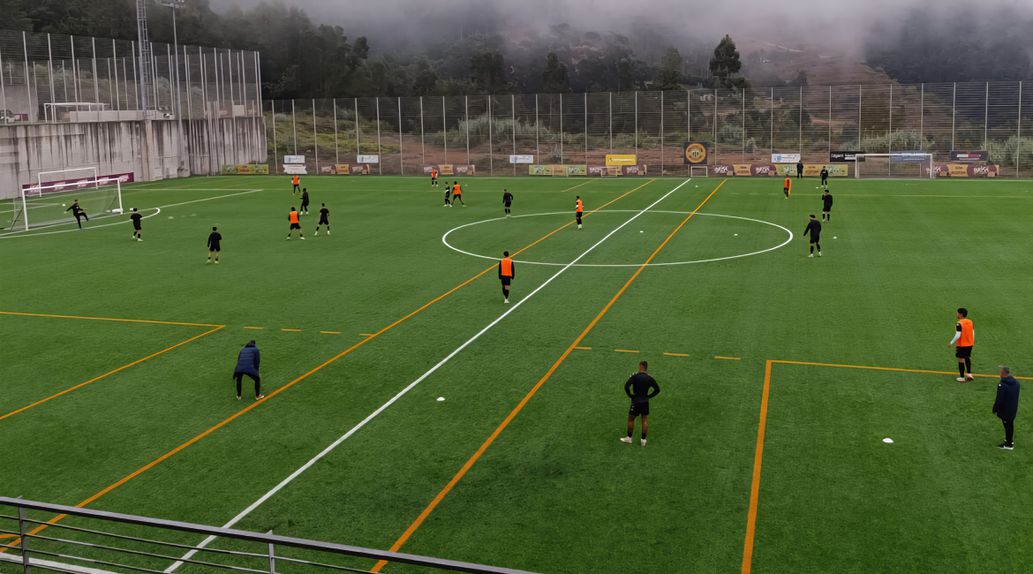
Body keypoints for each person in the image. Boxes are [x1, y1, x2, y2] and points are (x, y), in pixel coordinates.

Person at [620, 361, 660, 446]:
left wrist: (630, 395)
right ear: (646, 368)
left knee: (631, 419)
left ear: (641, 366)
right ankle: (643, 440)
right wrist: (649, 396)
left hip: (636, 401)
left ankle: (629, 438)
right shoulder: (650, 378)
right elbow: (657, 390)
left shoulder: (635, 376)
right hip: (645, 401)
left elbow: (626, 386)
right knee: (644, 419)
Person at [993, 365, 1020, 450]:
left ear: (1002, 373)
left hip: (1005, 410)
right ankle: (1009, 440)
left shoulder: (1002, 385)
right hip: (1013, 408)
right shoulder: (1016, 382)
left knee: (1007, 426)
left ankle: (1008, 444)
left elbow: (999, 399)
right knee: (1010, 424)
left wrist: (995, 408)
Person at [949, 307, 975, 382]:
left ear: (960, 314)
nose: (956, 314)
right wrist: (972, 341)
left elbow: (958, 335)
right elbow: (973, 332)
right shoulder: (970, 322)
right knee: (967, 357)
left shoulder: (959, 323)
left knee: (960, 359)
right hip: (970, 343)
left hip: (962, 344)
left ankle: (962, 377)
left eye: (957, 313)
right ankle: (969, 374)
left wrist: (951, 342)